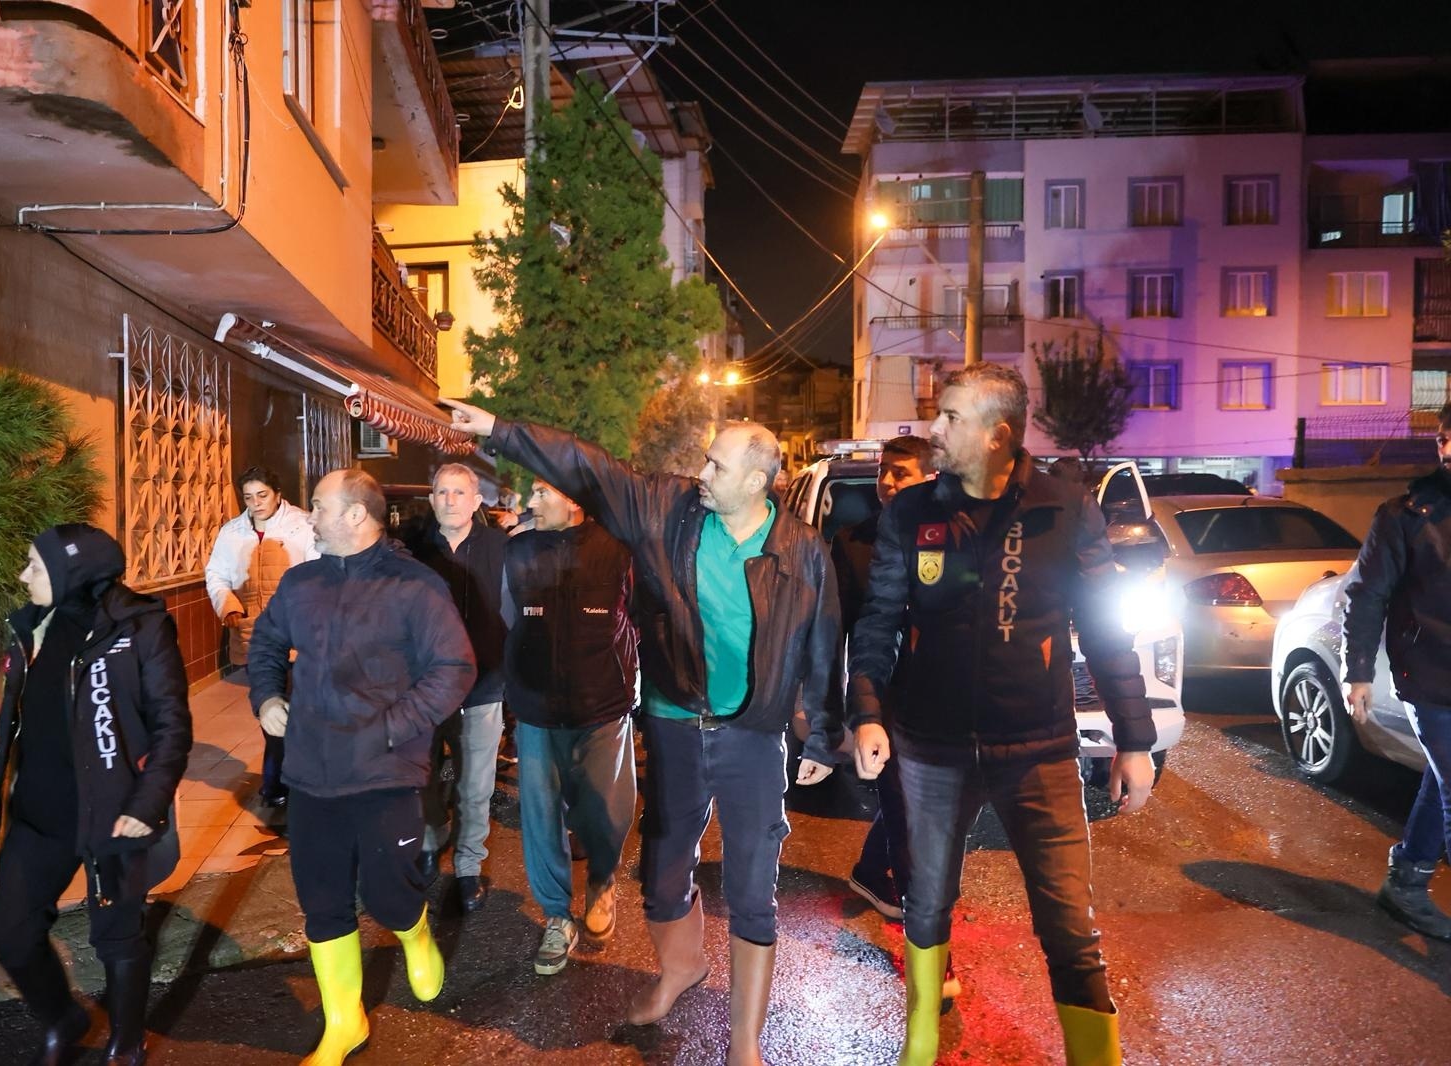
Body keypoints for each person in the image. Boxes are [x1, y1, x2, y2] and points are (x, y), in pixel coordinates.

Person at [444, 399, 841, 1066]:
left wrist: (824, 730)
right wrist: (498, 432)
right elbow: (589, 467)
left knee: (752, 886)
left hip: (751, 733)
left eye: (717, 465)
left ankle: (745, 1039)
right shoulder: (668, 511)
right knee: (661, 875)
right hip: (675, 720)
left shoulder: (801, 550)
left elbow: (823, 641)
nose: (702, 473)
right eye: (705, 460)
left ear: (757, 480)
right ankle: (681, 969)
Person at [848, 364, 1155, 1066]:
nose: (935, 428)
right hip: (929, 746)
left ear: (997, 435)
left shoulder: (1064, 509)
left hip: (1039, 747)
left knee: (1068, 924)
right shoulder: (912, 513)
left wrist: (1134, 739)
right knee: (926, 900)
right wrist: (866, 711)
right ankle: (921, 1037)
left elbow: (1106, 632)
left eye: (951, 417)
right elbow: (879, 621)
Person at [249, 469, 475, 1065]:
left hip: (383, 771)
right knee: (321, 900)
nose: (310, 516)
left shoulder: (415, 585)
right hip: (311, 771)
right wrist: (267, 698)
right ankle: (344, 1023)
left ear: (355, 514)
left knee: (387, 892)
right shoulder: (301, 582)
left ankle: (414, 932)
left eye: (319, 506)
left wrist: (389, 729)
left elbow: (454, 669)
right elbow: (265, 643)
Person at [0, 523, 193, 1066]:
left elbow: (171, 725)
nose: (23, 576)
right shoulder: (33, 626)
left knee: (117, 937)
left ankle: (126, 1043)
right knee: (11, 934)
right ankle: (62, 1020)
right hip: (38, 814)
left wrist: (148, 802)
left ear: (70, 571)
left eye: (34, 566)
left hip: (112, 811)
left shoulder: (140, 626)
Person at [501, 477, 638, 975]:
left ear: (574, 500)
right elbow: (509, 618)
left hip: (602, 707)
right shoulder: (519, 551)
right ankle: (557, 915)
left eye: (542, 492)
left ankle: (602, 882)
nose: (530, 502)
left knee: (606, 812)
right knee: (541, 818)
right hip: (537, 709)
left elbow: (639, 619)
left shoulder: (617, 550)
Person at [1341, 402, 1451, 942]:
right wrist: (1357, 671)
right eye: (1448, 438)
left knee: (1442, 775)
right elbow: (1367, 595)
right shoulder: (1405, 516)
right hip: (1430, 676)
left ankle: (1406, 880)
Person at [831, 436, 934, 923]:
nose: (888, 482)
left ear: (931, 478)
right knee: (903, 800)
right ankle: (923, 919)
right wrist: (836, 707)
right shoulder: (852, 542)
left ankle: (872, 870)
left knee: (921, 800)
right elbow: (837, 628)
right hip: (882, 696)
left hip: (939, 692)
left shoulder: (952, 535)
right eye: (883, 471)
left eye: (901, 472)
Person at [406, 462, 508, 912]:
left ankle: (468, 865)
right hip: (424, 687)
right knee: (423, 775)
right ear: (431, 500)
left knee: (475, 785)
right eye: (442, 492)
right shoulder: (411, 549)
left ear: (476, 500)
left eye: (459, 492)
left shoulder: (500, 548)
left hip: (483, 686)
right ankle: (432, 840)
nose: (450, 500)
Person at [204, 466, 318, 808]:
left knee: (298, 710)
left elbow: (319, 573)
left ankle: (288, 783)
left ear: (277, 493)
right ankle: (277, 784)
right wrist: (228, 606)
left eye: (262, 495)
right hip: (254, 636)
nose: (256, 503)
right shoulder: (232, 532)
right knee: (270, 710)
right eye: (249, 497)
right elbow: (216, 575)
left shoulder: (303, 525)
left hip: (298, 638)